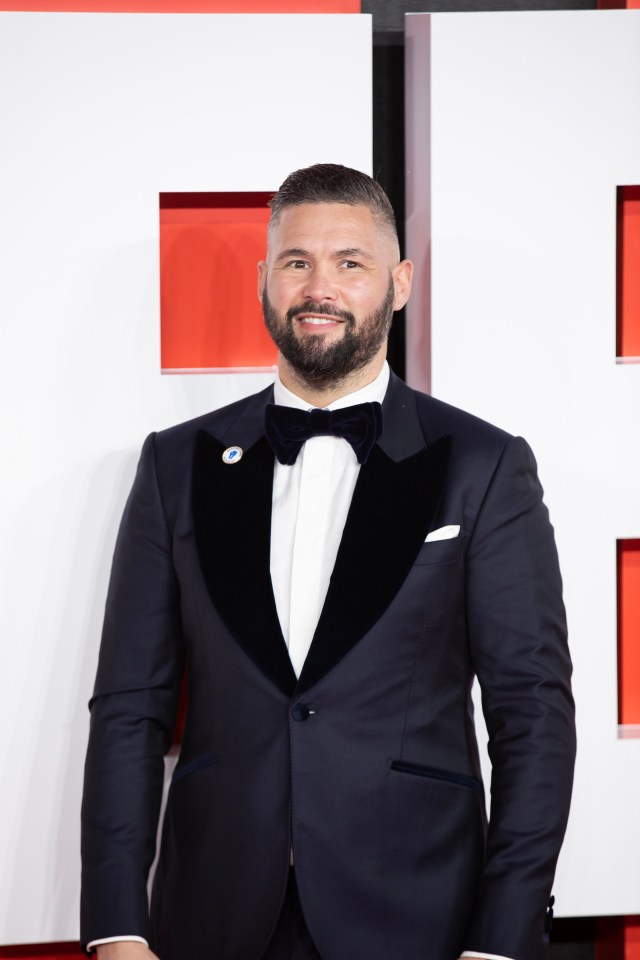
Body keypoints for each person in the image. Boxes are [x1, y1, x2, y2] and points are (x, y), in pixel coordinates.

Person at [81, 163, 575, 960]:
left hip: (420, 920)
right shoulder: (176, 464)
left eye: (351, 262)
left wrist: (502, 941)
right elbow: (128, 709)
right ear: (264, 280)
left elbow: (533, 718)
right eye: (297, 261)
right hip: (211, 919)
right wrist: (115, 927)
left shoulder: (483, 466)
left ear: (400, 282)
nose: (321, 287)